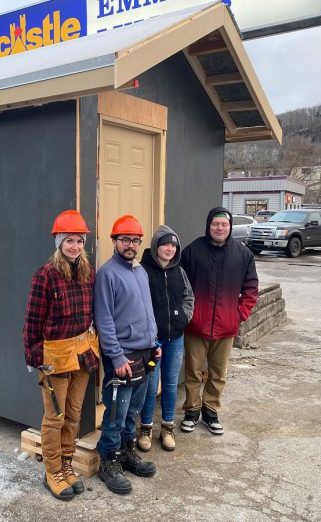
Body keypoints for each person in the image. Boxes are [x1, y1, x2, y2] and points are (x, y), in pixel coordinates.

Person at [23, 210, 100, 501]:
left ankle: (67, 464)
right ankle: (52, 470)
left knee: (74, 414)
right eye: (69, 241)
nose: (75, 247)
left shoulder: (88, 273)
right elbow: (32, 319)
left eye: (79, 241)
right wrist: (33, 355)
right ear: (59, 242)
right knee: (55, 417)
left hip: (81, 352)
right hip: (54, 356)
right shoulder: (46, 275)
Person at [93, 215, 159, 495]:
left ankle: (127, 453)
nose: (130, 245)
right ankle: (107, 461)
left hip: (145, 353)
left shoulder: (140, 271)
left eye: (135, 240)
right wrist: (116, 357)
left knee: (134, 409)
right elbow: (104, 319)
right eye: (125, 239)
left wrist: (154, 340)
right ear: (114, 241)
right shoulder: (107, 274)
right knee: (116, 413)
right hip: (123, 357)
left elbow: (147, 310)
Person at [179, 207, 258, 436]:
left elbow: (251, 289)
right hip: (196, 325)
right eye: (215, 224)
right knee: (192, 372)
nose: (220, 228)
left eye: (224, 224)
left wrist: (239, 314)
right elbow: (180, 286)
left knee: (218, 373)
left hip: (226, 327)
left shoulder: (243, 255)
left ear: (230, 227)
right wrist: (186, 314)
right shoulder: (193, 251)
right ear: (208, 226)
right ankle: (192, 410)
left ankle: (211, 411)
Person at [137, 225, 194, 452]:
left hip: (175, 339)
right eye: (165, 244)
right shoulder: (142, 271)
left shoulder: (179, 272)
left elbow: (189, 298)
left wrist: (183, 319)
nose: (169, 249)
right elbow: (137, 304)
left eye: (173, 245)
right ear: (156, 246)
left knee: (170, 385)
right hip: (153, 342)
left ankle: (167, 427)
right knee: (151, 387)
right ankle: (146, 428)